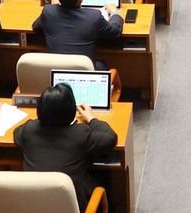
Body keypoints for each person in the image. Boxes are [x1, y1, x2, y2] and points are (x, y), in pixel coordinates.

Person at [15, 83, 119, 211]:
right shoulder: (80, 134)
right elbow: (110, 137)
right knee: (103, 172)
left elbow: (17, 133)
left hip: (34, 207)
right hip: (74, 207)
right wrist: (90, 117)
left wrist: (44, 121)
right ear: (71, 110)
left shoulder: (29, 130)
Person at [32, 0, 124, 69]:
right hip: (83, 73)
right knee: (101, 65)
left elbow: (36, 27)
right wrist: (114, 12)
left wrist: (54, 7)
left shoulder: (49, 11)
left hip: (56, 71)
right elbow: (115, 31)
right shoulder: (94, 16)